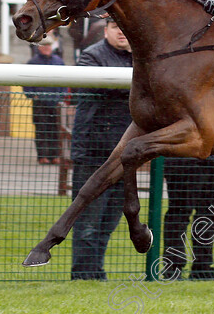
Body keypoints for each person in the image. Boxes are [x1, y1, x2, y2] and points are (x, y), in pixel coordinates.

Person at [69, 17, 132, 280]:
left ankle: (96, 271)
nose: (122, 33)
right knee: (88, 221)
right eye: (117, 28)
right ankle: (83, 274)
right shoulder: (91, 57)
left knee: (109, 220)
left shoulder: (139, 59)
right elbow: (102, 88)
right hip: (93, 153)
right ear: (105, 30)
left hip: (125, 156)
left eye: (126, 28)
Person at [161, 154, 214, 280]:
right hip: (185, 160)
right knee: (179, 213)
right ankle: (173, 268)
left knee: (209, 217)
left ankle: (203, 269)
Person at [23, 32, 66, 165]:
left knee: (55, 130)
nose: (47, 48)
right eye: (44, 46)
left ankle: (55, 155)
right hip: (40, 103)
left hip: (55, 103)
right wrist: (32, 95)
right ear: (39, 47)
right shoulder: (33, 62)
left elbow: (65, 82)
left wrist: (61, 96)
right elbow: (27, 82)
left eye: (49, 46)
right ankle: (42, 156)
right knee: (41, 129)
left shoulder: (58, 62)